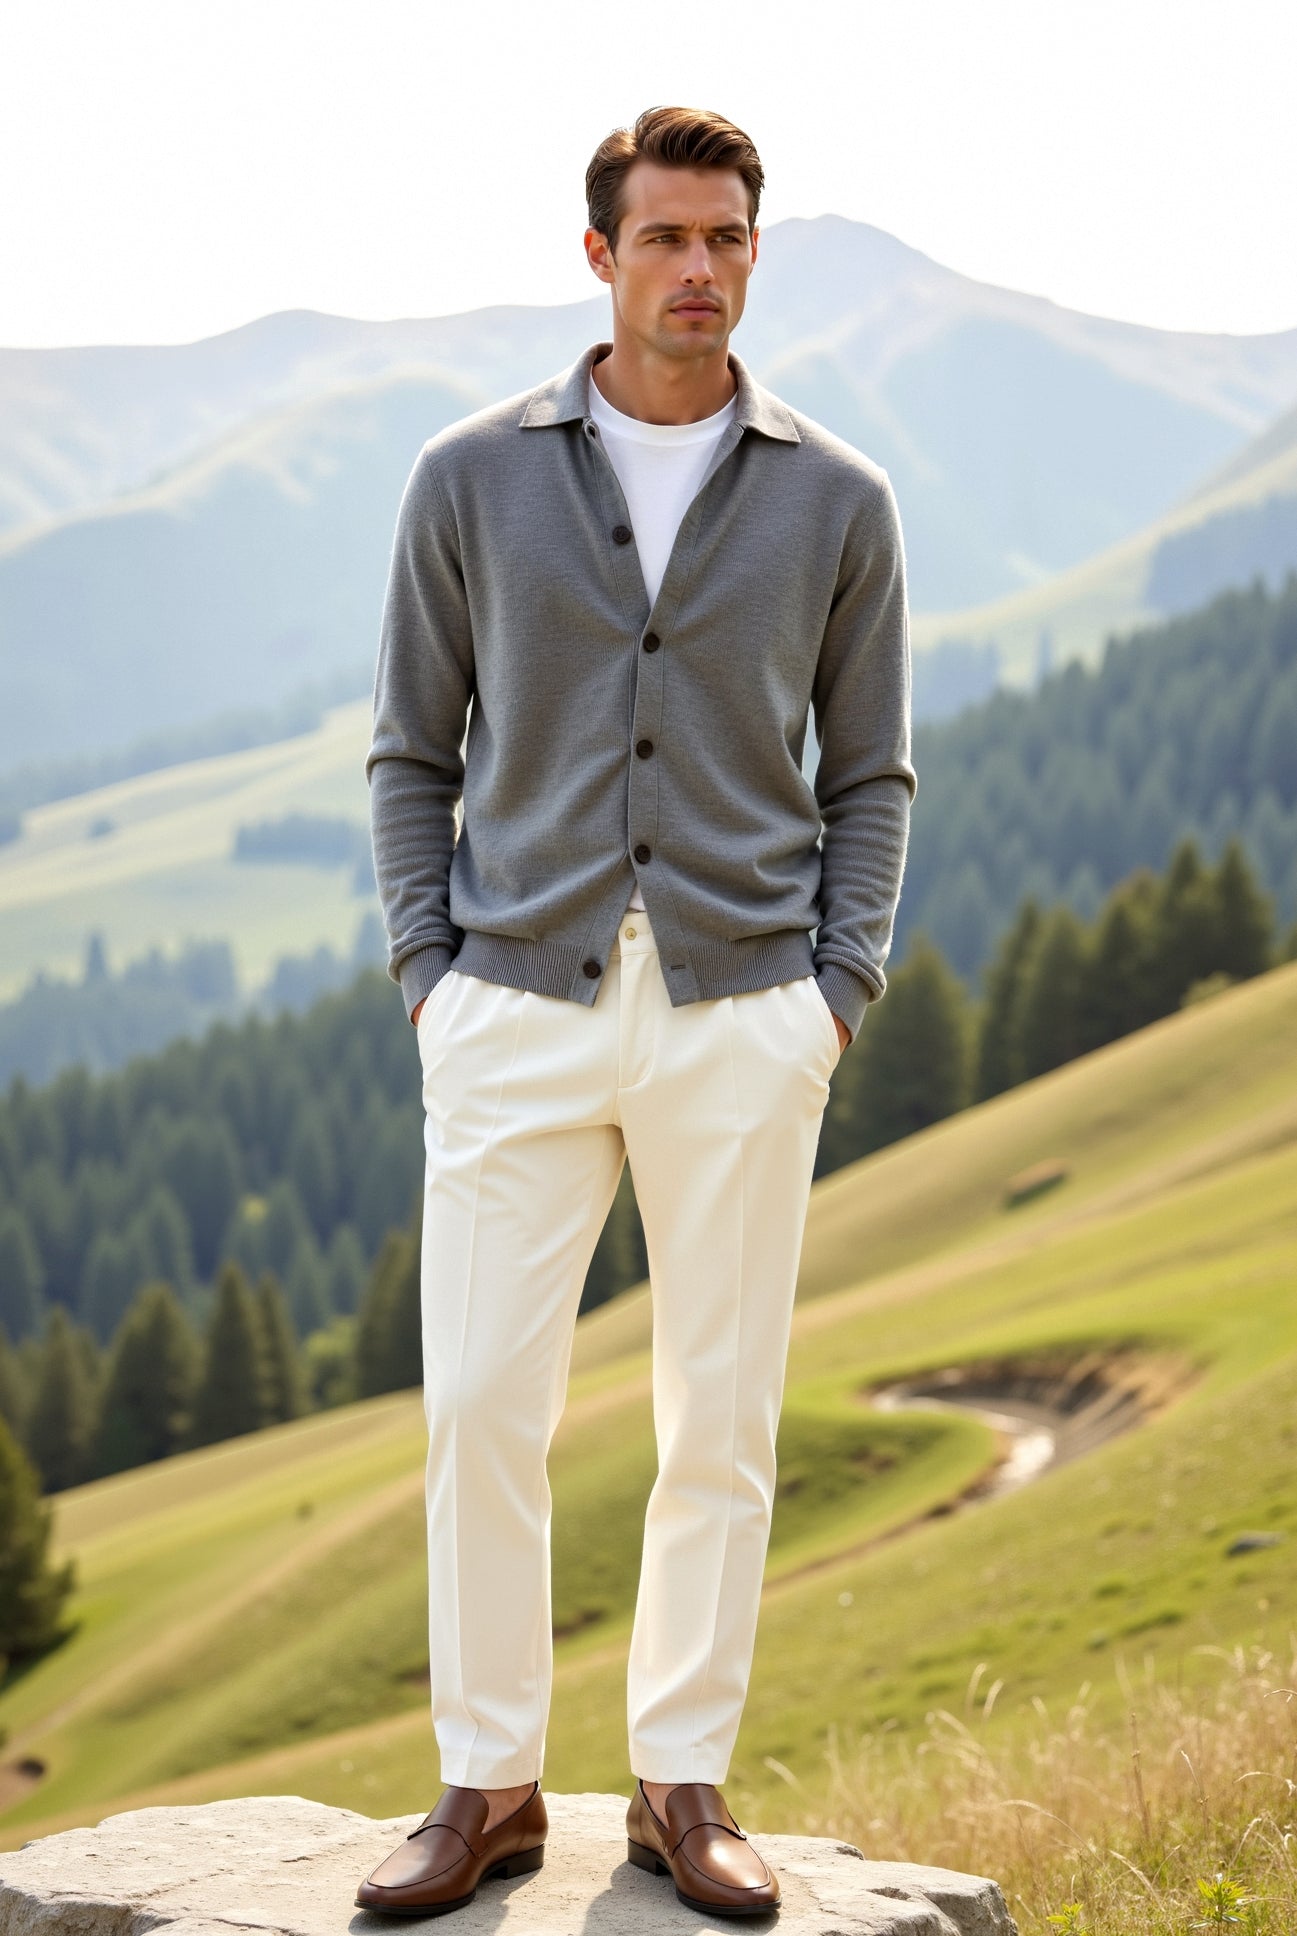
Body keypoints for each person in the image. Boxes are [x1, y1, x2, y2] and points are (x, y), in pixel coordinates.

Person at [355, 104, 914, 1920]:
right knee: (484, 1414)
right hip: (510, 1008)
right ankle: (487, 1787)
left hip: (748, 1015)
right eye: (664, 237)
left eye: (727, 238)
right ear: (596, 256)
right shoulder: (470, 477)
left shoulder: (837, 496)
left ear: (755, 253)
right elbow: (406, 753)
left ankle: (681, 1787)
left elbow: (874, 775)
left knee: (718, 1416)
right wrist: (429, 982)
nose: (698, 269)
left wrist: (835, 995)